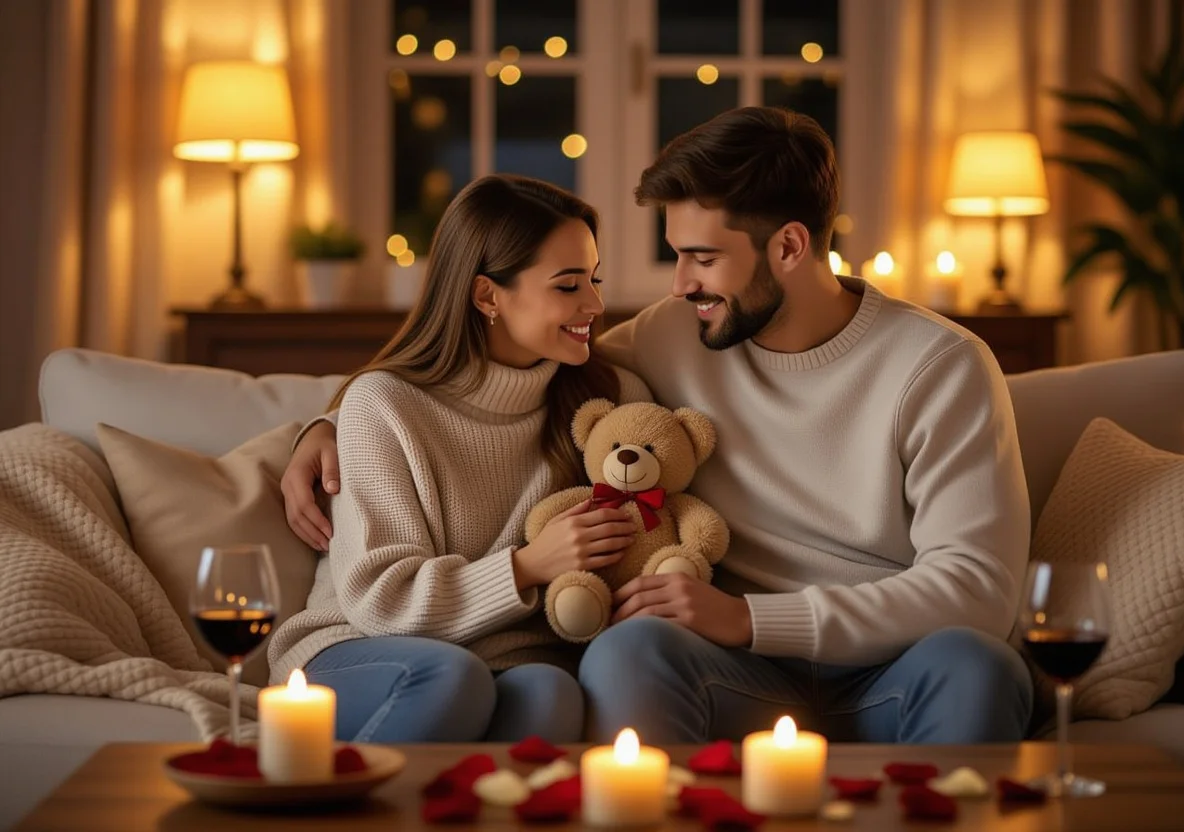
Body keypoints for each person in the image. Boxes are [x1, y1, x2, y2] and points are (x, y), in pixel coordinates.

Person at [283, 107, 1035, 746]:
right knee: (627, 652)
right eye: (676, 256)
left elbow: (977, 589)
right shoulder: (678, 333)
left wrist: (752, 618)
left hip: (888, 664)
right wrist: (328, 424)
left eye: (702, 258)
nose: (678, 286)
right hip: (733, 670)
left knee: (981, 667)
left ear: (789, 246)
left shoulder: (939, 366)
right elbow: (482, 374)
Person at [268, 174, 649, 744]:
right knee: (453, 678)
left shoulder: (610, 402)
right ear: (487, 296)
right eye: (568, 285)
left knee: (552, 692)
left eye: (594, 279)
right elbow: (380, 599)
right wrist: (527, 565)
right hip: (361, 648)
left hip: (506, 661)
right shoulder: (384, 403)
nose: (594, 304)